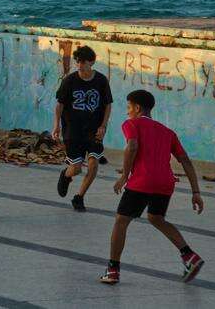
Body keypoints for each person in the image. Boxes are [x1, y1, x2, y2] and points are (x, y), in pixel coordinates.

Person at [100, 89, 205, 284]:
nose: (127, 111)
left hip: (142, 180)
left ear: (137, 108)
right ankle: (189, 255)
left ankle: (113, 270)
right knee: (156, 218)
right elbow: (185, 160)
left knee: (121, 221)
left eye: (129, 107)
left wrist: (124, 175)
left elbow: (132, 146)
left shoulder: (131, 124)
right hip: (165, 183)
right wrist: (196, 192)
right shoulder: (167, 131)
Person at [52, 45, 113, 211]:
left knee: (93, 164)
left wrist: (103, 125)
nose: (79, 65)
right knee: (76, 169)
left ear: (91, 62)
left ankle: (79, 197)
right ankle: (66, 175)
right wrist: (56, 126)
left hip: (94, 130)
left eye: (83, 62)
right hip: (73, 130)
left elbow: (108, 105)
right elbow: (59, 105)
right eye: (77, 61)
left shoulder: (101, 80)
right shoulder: (69, 81)